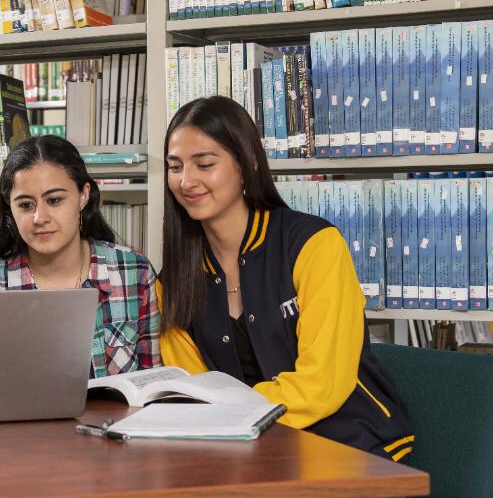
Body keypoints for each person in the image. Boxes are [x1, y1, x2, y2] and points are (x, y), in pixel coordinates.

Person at [158, 96, 415, 461]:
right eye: (175, 166)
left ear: (246, 165)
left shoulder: (314, 245)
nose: (187, 181)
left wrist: (231, 414)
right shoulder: (173, 281)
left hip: (347, 444)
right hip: (247, 451)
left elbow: (322, 384)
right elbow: (193, 389)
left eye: (205, 164)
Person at [0, 135, 159, 377]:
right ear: (10, 206)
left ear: (83, 195)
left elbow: (154, 382)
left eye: (54, 200)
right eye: (25, 205)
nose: (39, 218)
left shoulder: (133, 270)